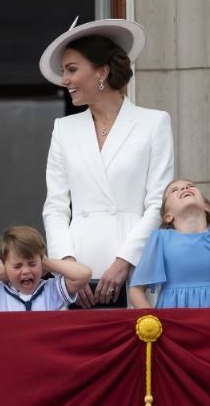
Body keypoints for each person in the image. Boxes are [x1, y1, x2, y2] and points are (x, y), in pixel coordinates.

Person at [40, 18, 174, 309]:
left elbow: (157, 203)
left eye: (72, 70)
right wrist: (67, 266)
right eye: (64, 71)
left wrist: (125, 261)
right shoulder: (64, 129)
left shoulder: (154, 123)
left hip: (135, 262)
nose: (65, 80)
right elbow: (56, 206)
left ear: (102, 71)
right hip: (78, 263)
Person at [128, 179, 210, 309]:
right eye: (174, 190)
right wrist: (153, 322)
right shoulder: (161, 239)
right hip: (173, 322)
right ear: (168, 216)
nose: (184, 189)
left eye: (190, 186)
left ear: (206, 206)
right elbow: (136, 291)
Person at [0, 225, 91, 311]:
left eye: (32, 264)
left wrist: (46, 262)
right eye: (17, 266)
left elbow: (84, 274)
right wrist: (0, 272)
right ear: (5, 265)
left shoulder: (52, 292)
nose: (26, 271)